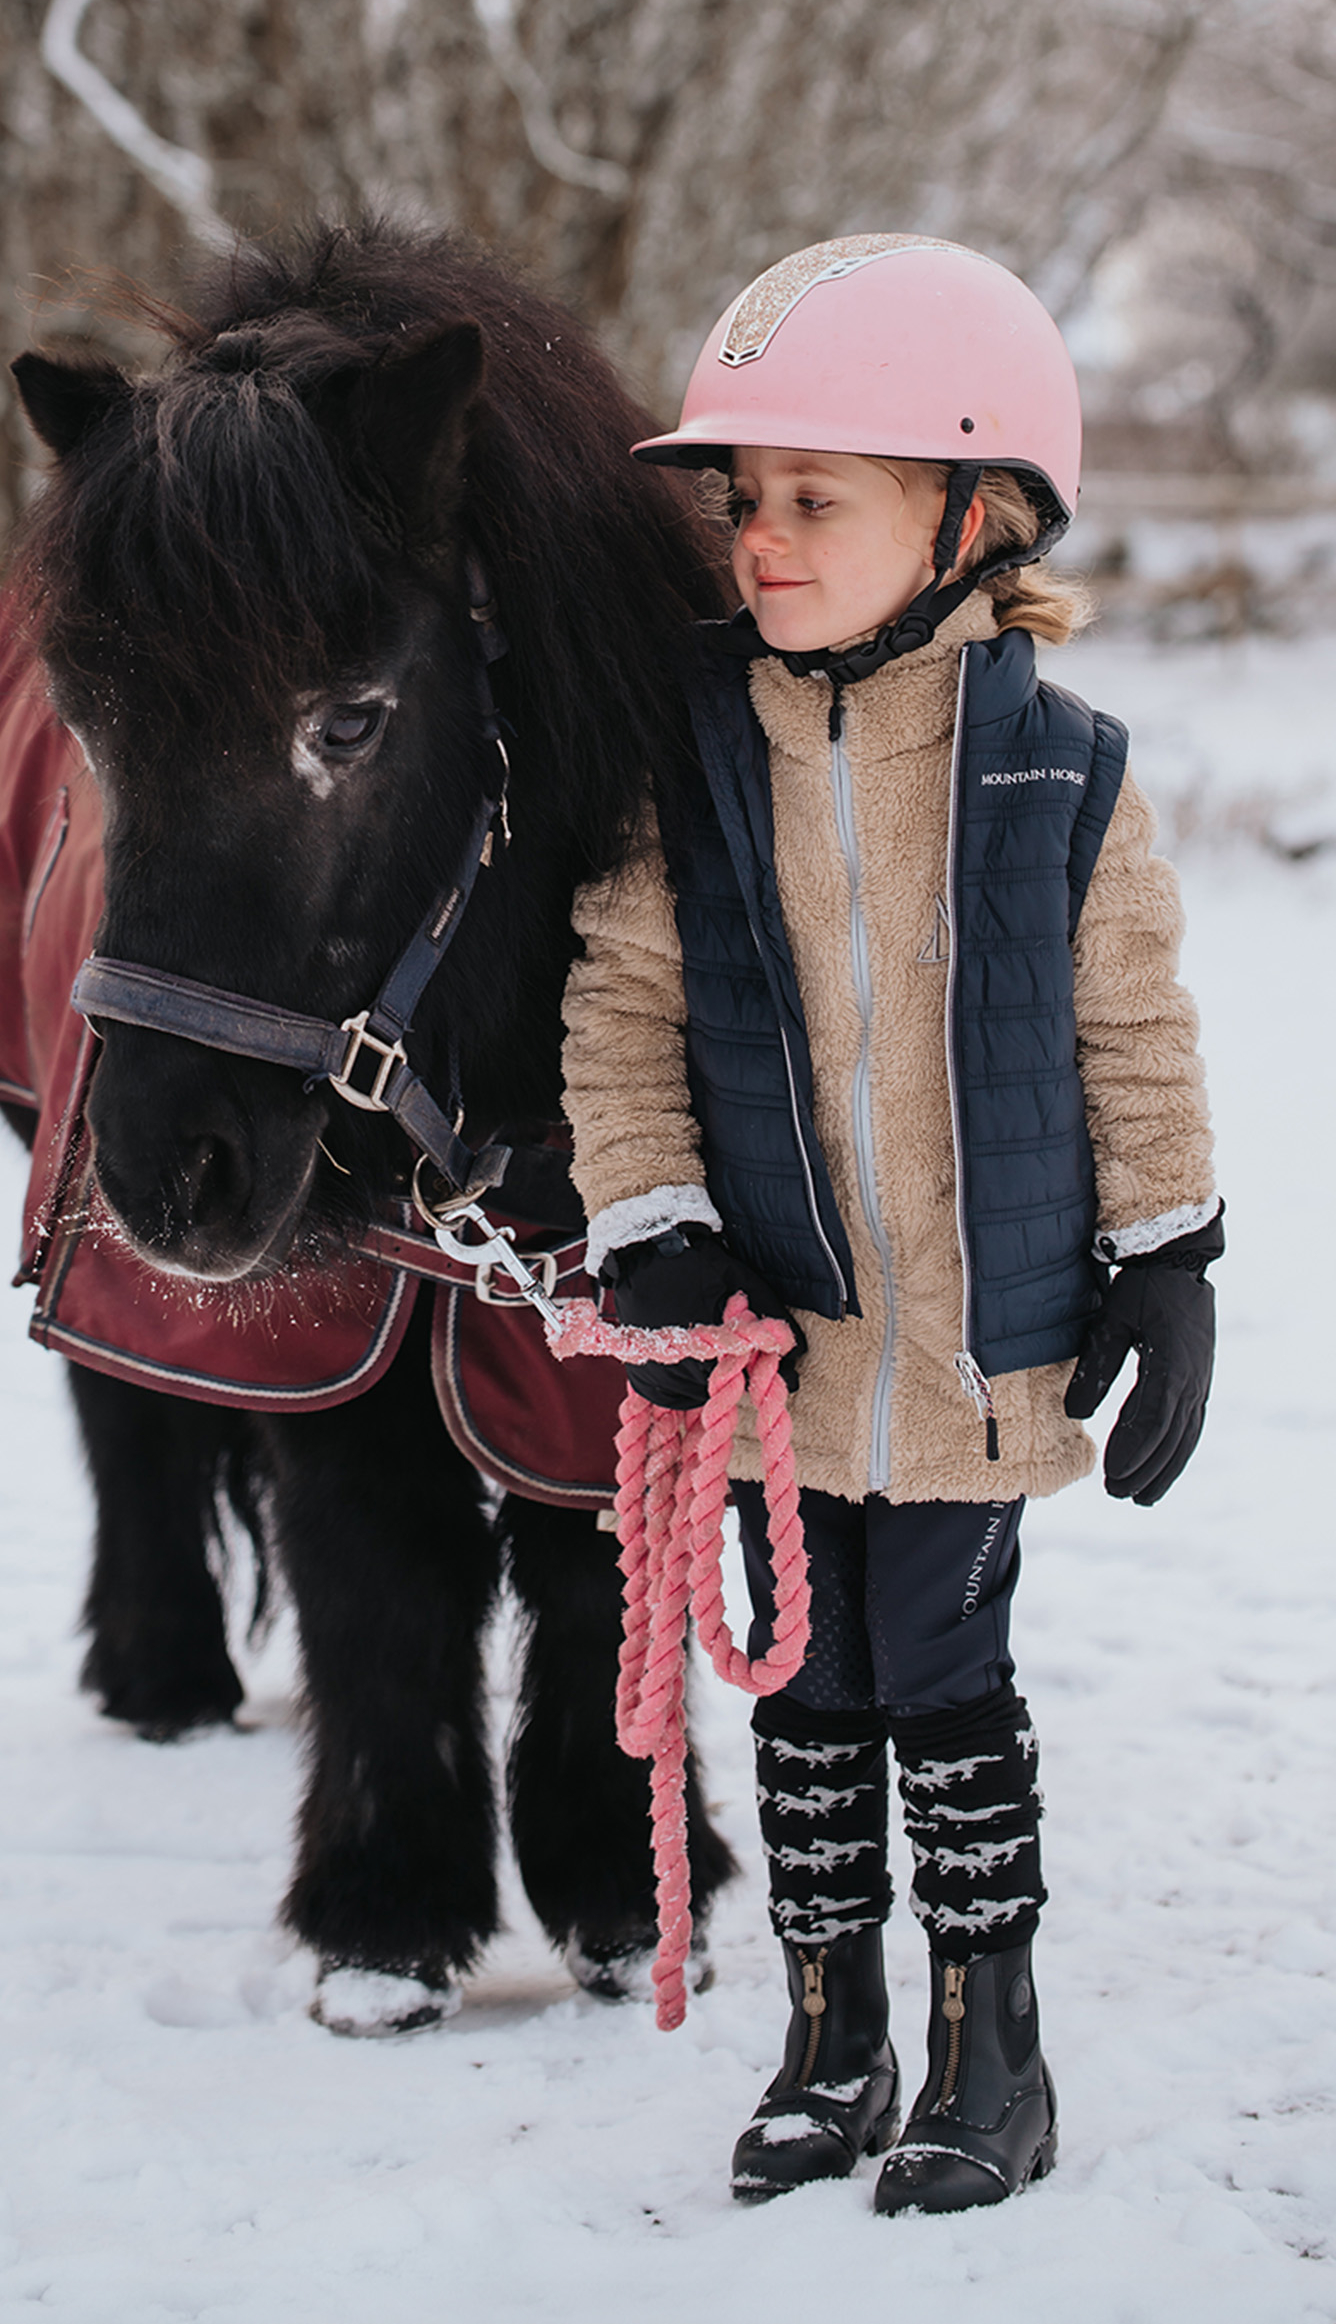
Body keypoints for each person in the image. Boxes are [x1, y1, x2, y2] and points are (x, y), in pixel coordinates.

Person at [560, 235, 1220, 2216]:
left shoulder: (1059, 771)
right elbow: (617, 1000)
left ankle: (984, 2048)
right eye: (741, 500)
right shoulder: (684, 763)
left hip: (967, 1338)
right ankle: (826, 2030)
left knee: (938, 1672)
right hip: (774, 1342)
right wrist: (650, 1216)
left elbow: (1128, 1022)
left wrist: (1166, 1250)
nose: (757, 539)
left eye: (811, 500)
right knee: (805, 1677)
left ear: (969, 511)